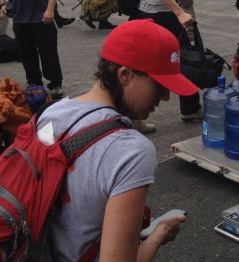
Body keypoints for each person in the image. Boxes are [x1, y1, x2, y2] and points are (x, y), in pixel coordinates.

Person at [40, 19, 194, 260]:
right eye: (159, 84)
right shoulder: (131, 150)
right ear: (125, 74)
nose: (166, 96)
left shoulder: (51, 113)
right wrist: (158, 235)